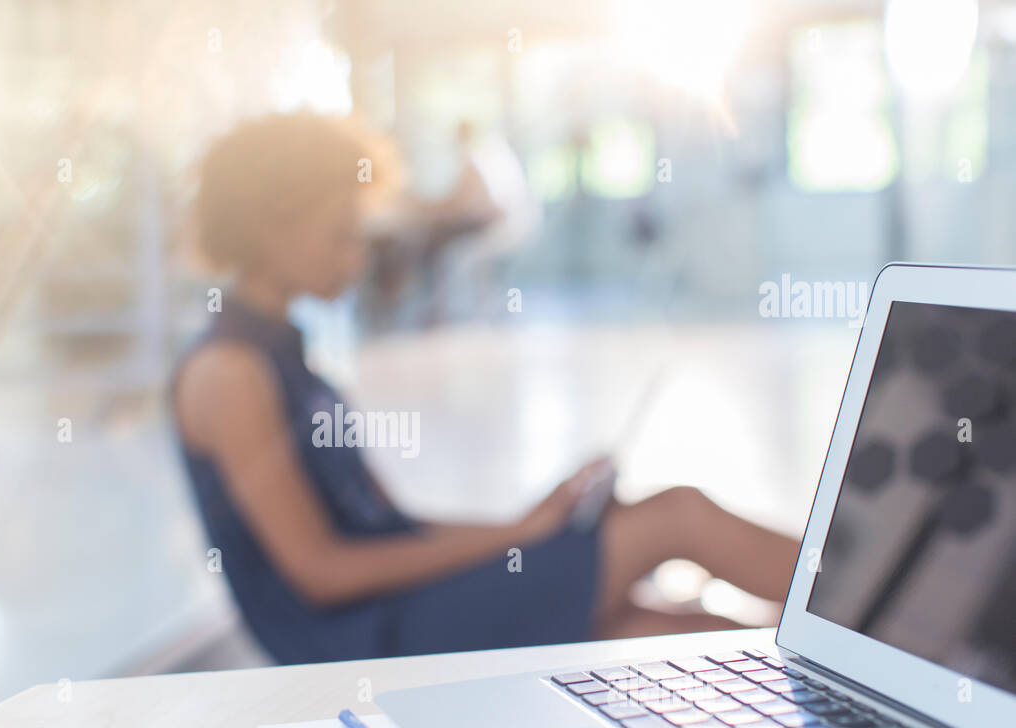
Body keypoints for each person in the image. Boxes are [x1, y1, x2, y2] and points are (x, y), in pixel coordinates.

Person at [172, 112, 798, 665]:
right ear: (268, 230)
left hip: (394, 608)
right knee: (674, 517)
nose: (358, 255)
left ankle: (835, 656)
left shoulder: (280, 355)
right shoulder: (230, 374)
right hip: (362, 638)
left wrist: (531, 523)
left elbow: (395, 529)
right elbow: (319, 574)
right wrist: (517, 537)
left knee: (660, 627)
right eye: (339, 235)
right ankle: (867, 612)